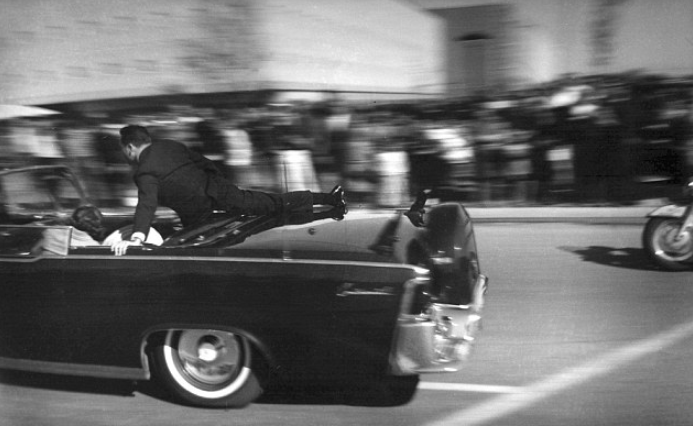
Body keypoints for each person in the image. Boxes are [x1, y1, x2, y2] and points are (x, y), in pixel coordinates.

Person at [111, 125, 347, 256]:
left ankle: (328, 206)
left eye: (124, 150)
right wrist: (218, 185)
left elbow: (147, 204)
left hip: (197, 216)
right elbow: (204, 162)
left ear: (130, 147)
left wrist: (137, 237)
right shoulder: (170, 145)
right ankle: (329, 200)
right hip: (218, 193)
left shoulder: (143, 171)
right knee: (272, 203)